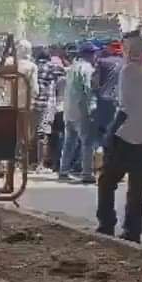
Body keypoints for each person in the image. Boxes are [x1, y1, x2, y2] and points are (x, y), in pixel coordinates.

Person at [96, 32, 142, 242]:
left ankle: (107, 223)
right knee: (137, 186)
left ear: (128, 49)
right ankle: (133, 230)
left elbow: (125, 106)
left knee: (107, 181)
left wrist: (110, 133)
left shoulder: (127, 70)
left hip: (125, 134)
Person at [60, 43, 99, 184]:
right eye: (94, 54)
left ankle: (63, 170)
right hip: (81, 110)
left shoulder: (72, 67)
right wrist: (91, 109)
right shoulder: (87, 69)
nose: (95, 56)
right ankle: (86, 173)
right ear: (89, 54)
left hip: (69, 109)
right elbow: (87, 90)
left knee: (69, 141)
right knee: (87, 142)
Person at [92, 40, 125, 145]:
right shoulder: (127, 63)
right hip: (121, 101)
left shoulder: (102, 62)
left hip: (104, 101)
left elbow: (95, 82)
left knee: (101, 130)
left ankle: (99, 154)